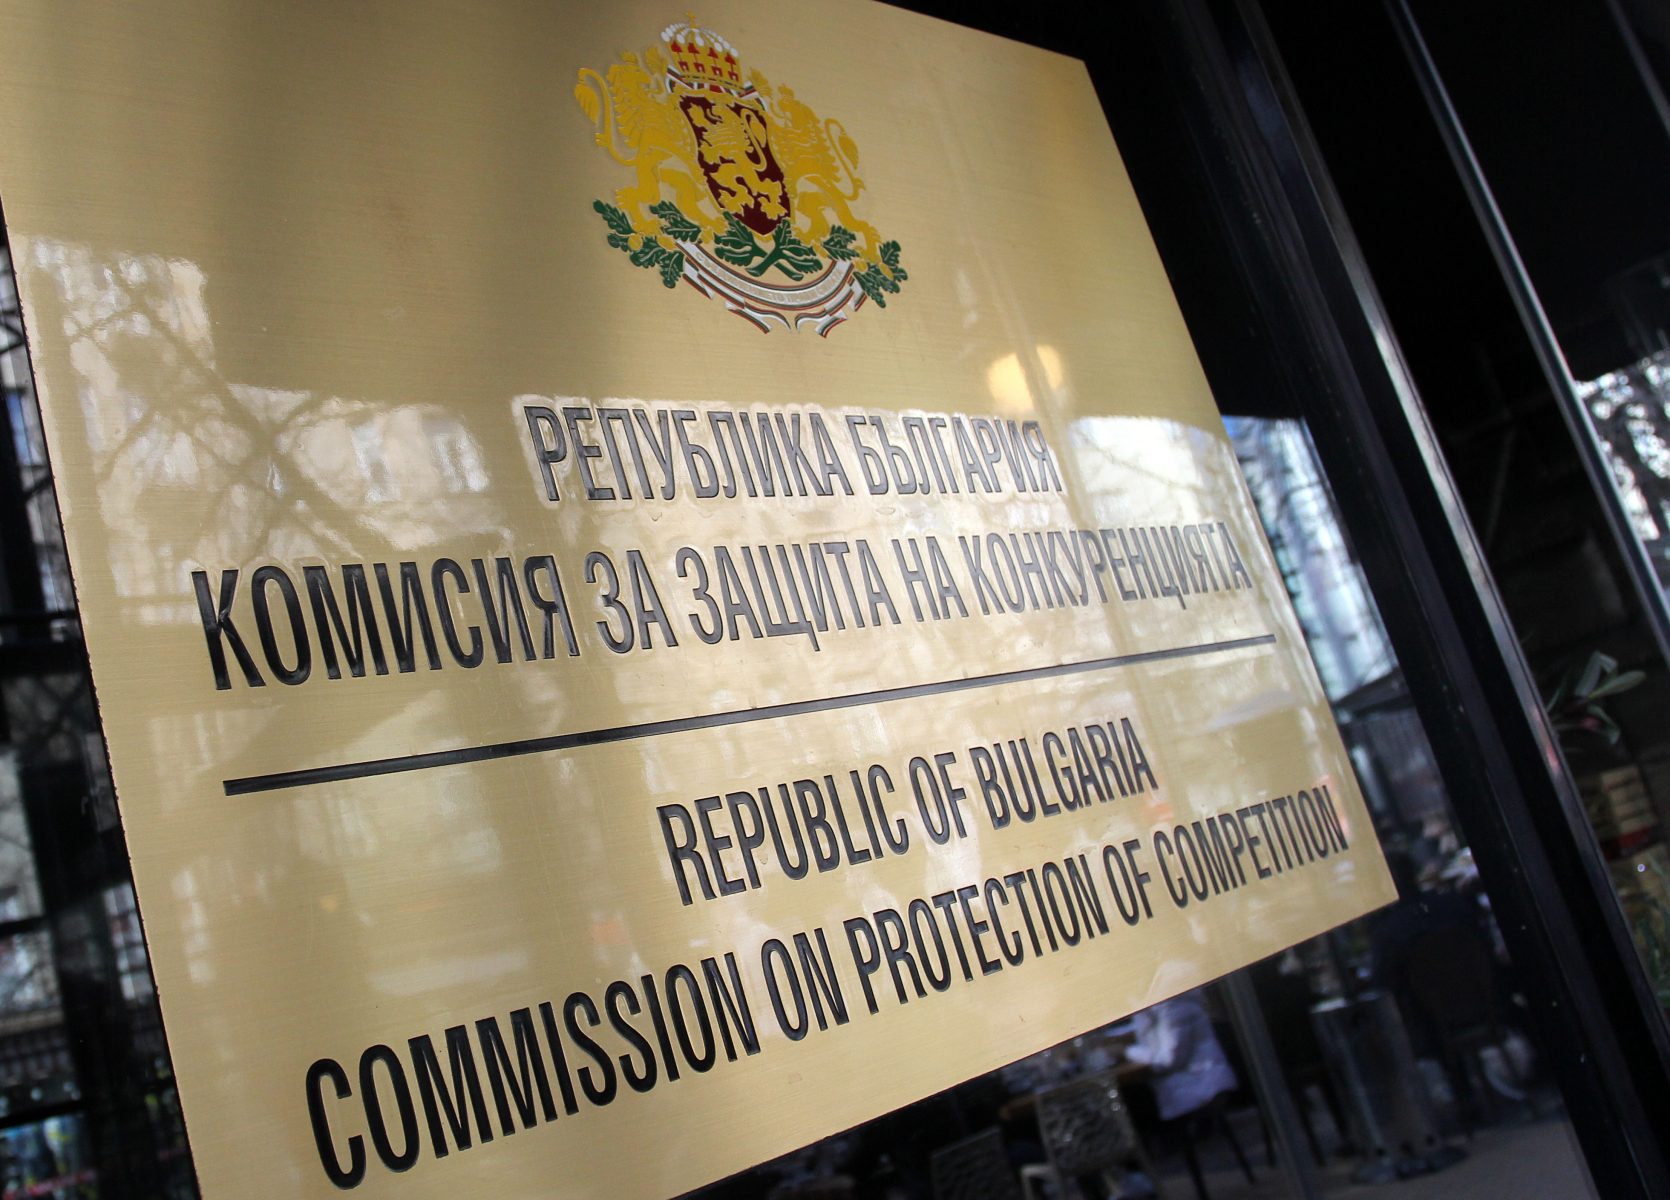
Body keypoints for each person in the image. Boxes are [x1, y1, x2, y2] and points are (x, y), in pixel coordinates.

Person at [1124, 990, 1238, 1121]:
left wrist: (1126, 1052)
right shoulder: (1158, 1006)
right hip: (1192, 1086)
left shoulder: (1170, 1005)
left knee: (1136, 1107)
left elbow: (1168, 1061)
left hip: (1199, 1088)